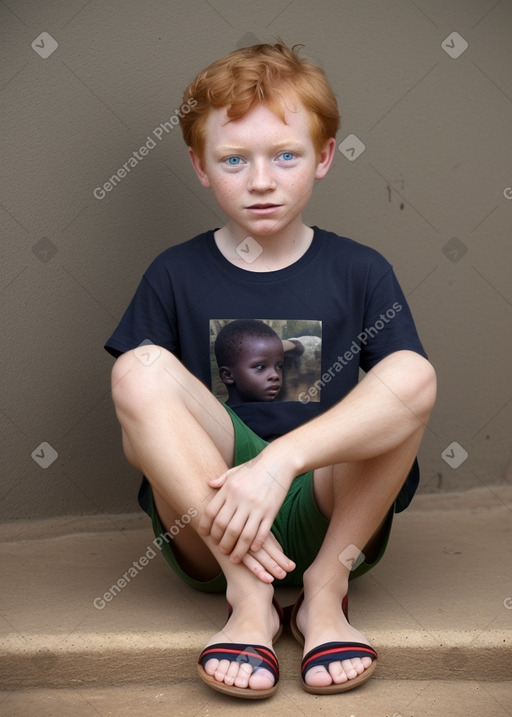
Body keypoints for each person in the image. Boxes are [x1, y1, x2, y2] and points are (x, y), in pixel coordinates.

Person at [105, 41, 436, 699]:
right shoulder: (174, 272)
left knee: (412, 374)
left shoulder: (359, 269)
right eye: (234, 159)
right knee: (138, 369)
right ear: (201, 166)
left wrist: (277, 464)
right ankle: (249, 595)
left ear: (324, 156)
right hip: (213, 516)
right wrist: (239, 480)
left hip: (329, 506)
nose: (261, 180)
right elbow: (137, 431)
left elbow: (402, 402)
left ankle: (323, 592)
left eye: (285, 154)